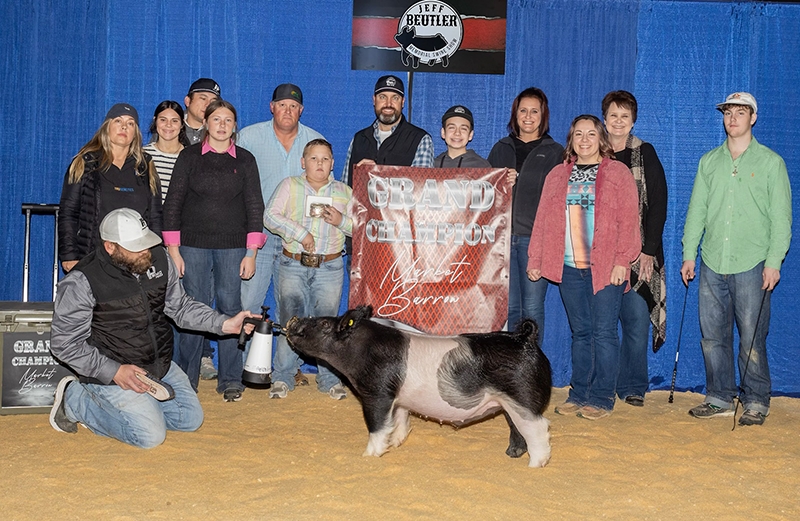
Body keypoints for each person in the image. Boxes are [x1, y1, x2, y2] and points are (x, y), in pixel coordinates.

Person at [49, 208, 254, 448]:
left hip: (158, 365)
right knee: (149, 437)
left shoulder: (160, 259)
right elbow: (64, 344)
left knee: (190, 420)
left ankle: (141, 406)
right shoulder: (82, 281)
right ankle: (75, 399)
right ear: (110, 247)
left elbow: (180, 307)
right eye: (136, 246)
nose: (145, 250)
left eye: (146, 242)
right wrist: (113, 371)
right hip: (113, 369)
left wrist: (224, 324)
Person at [681, 92, 791, 426]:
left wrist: (774, 261)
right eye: (728, 112)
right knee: (712, 336)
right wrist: (689, 254)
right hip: (712, 260)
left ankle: (756, 400)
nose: (733, 118)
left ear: (753, 118)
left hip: (753, 262)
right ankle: (719, 396)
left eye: (741, 112)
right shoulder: (709, 162)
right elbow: (697, 211)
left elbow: (781, 218)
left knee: (751, 337)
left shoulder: (771, 163)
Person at [527, 115, 640, 420]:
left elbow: (629, 221)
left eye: (591, 134)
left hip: (605, 267)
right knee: (581, 333)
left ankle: (602, 397)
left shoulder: (617, 173)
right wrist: (535, 259)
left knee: (604, 333)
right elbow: (542, 219)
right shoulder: (557, 175)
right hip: (569, 267)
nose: (585, 139)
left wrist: (622, 261)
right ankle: (578, 393)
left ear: (601, 139)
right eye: (579, 134)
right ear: (571, 140)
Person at [163, 100, 266, 402]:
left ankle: (230, 379)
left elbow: (254, 206)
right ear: (206, 123)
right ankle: (185, 380)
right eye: (216, 119)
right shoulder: (189, 157)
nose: (222, 125)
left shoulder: (245, 160)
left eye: (228, 120)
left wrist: (251, 252)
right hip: (191, 246)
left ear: (235, 126)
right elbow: (173, 204)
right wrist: (173, 250)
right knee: (192, 309)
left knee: (231, 307)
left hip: (233, 248)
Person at [238, 83, 325, 387]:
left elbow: (323, 189)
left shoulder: (314, 140)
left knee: (293, 306)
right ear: (272, 107)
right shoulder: (248, 137)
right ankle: (246, 365)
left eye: (294, 106)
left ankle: (288, 367)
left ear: (301, 110)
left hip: (297, 239)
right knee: (249, 300)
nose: (288, 110)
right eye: (282, 105)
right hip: (257, 236)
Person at [264, 139, 352, 400]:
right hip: (293, 262)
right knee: (290, 321)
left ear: (332, 163)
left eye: (325, 159)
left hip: (330, 265)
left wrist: (341, 220)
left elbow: (362, 225)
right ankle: (283, 376)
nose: (319, 163)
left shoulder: (344, 192)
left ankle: (329, 379)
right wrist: (300, 233)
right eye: (313, 158)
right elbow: (270, 216)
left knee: (328, 325)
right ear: (303, 162)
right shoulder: (290, 185)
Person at [602, 91, 668, 407]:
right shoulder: (592, 151)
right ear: (604, 119)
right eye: (613, 115)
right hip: (600, 252)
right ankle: (602, 383)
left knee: (636, 320)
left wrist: (648, 250)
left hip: (638, 251)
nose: (618, 121)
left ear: (633, 121)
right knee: (600, 325)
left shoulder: (645, 153)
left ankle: (633, 386)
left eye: (625, 116)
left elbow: (658, 204)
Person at [488, 88, 564, 339]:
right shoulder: (501, 148)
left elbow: (558, 199)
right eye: (523, 111)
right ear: (515, 114)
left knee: (531, 309)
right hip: (502, 240)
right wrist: (500, 183)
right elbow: (484, 193)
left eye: (534, 111)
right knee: (509, 308)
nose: (528, 116)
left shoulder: (555, 152)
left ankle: (531, 363)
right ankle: (512, 363)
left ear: (543, 116)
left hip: (535, 240)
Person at [59, 103, 162, 273]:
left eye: (130, 123)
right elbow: (68, 212)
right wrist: (69, 255)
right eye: (118, 121)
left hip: (135, 260)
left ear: (135, 132)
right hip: (93, 257)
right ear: (107, 126)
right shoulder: (84, 163)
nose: (124, 127)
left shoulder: (146, 167)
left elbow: (155, 217)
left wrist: (157, 256)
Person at [341, 74, 433, 186]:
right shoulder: (359, 139)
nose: (388, 104)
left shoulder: (420, 140)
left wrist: (377, 174)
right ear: (374, 100)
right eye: (383, 97)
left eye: (395, 98)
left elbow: (420, 188)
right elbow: (345, 189)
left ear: (403, 102)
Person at [144, 100, 191, 203]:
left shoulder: (191, 157)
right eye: (163, 120)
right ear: (155, 121)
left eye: (174, 121)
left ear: (182, 124)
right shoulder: (143, 155)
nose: (168, 125)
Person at [184, 78, 221, 145]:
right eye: (203, 99)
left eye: (213, 101)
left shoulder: (221, 130)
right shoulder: (171, 127)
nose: (208, 104)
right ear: (188, 101)